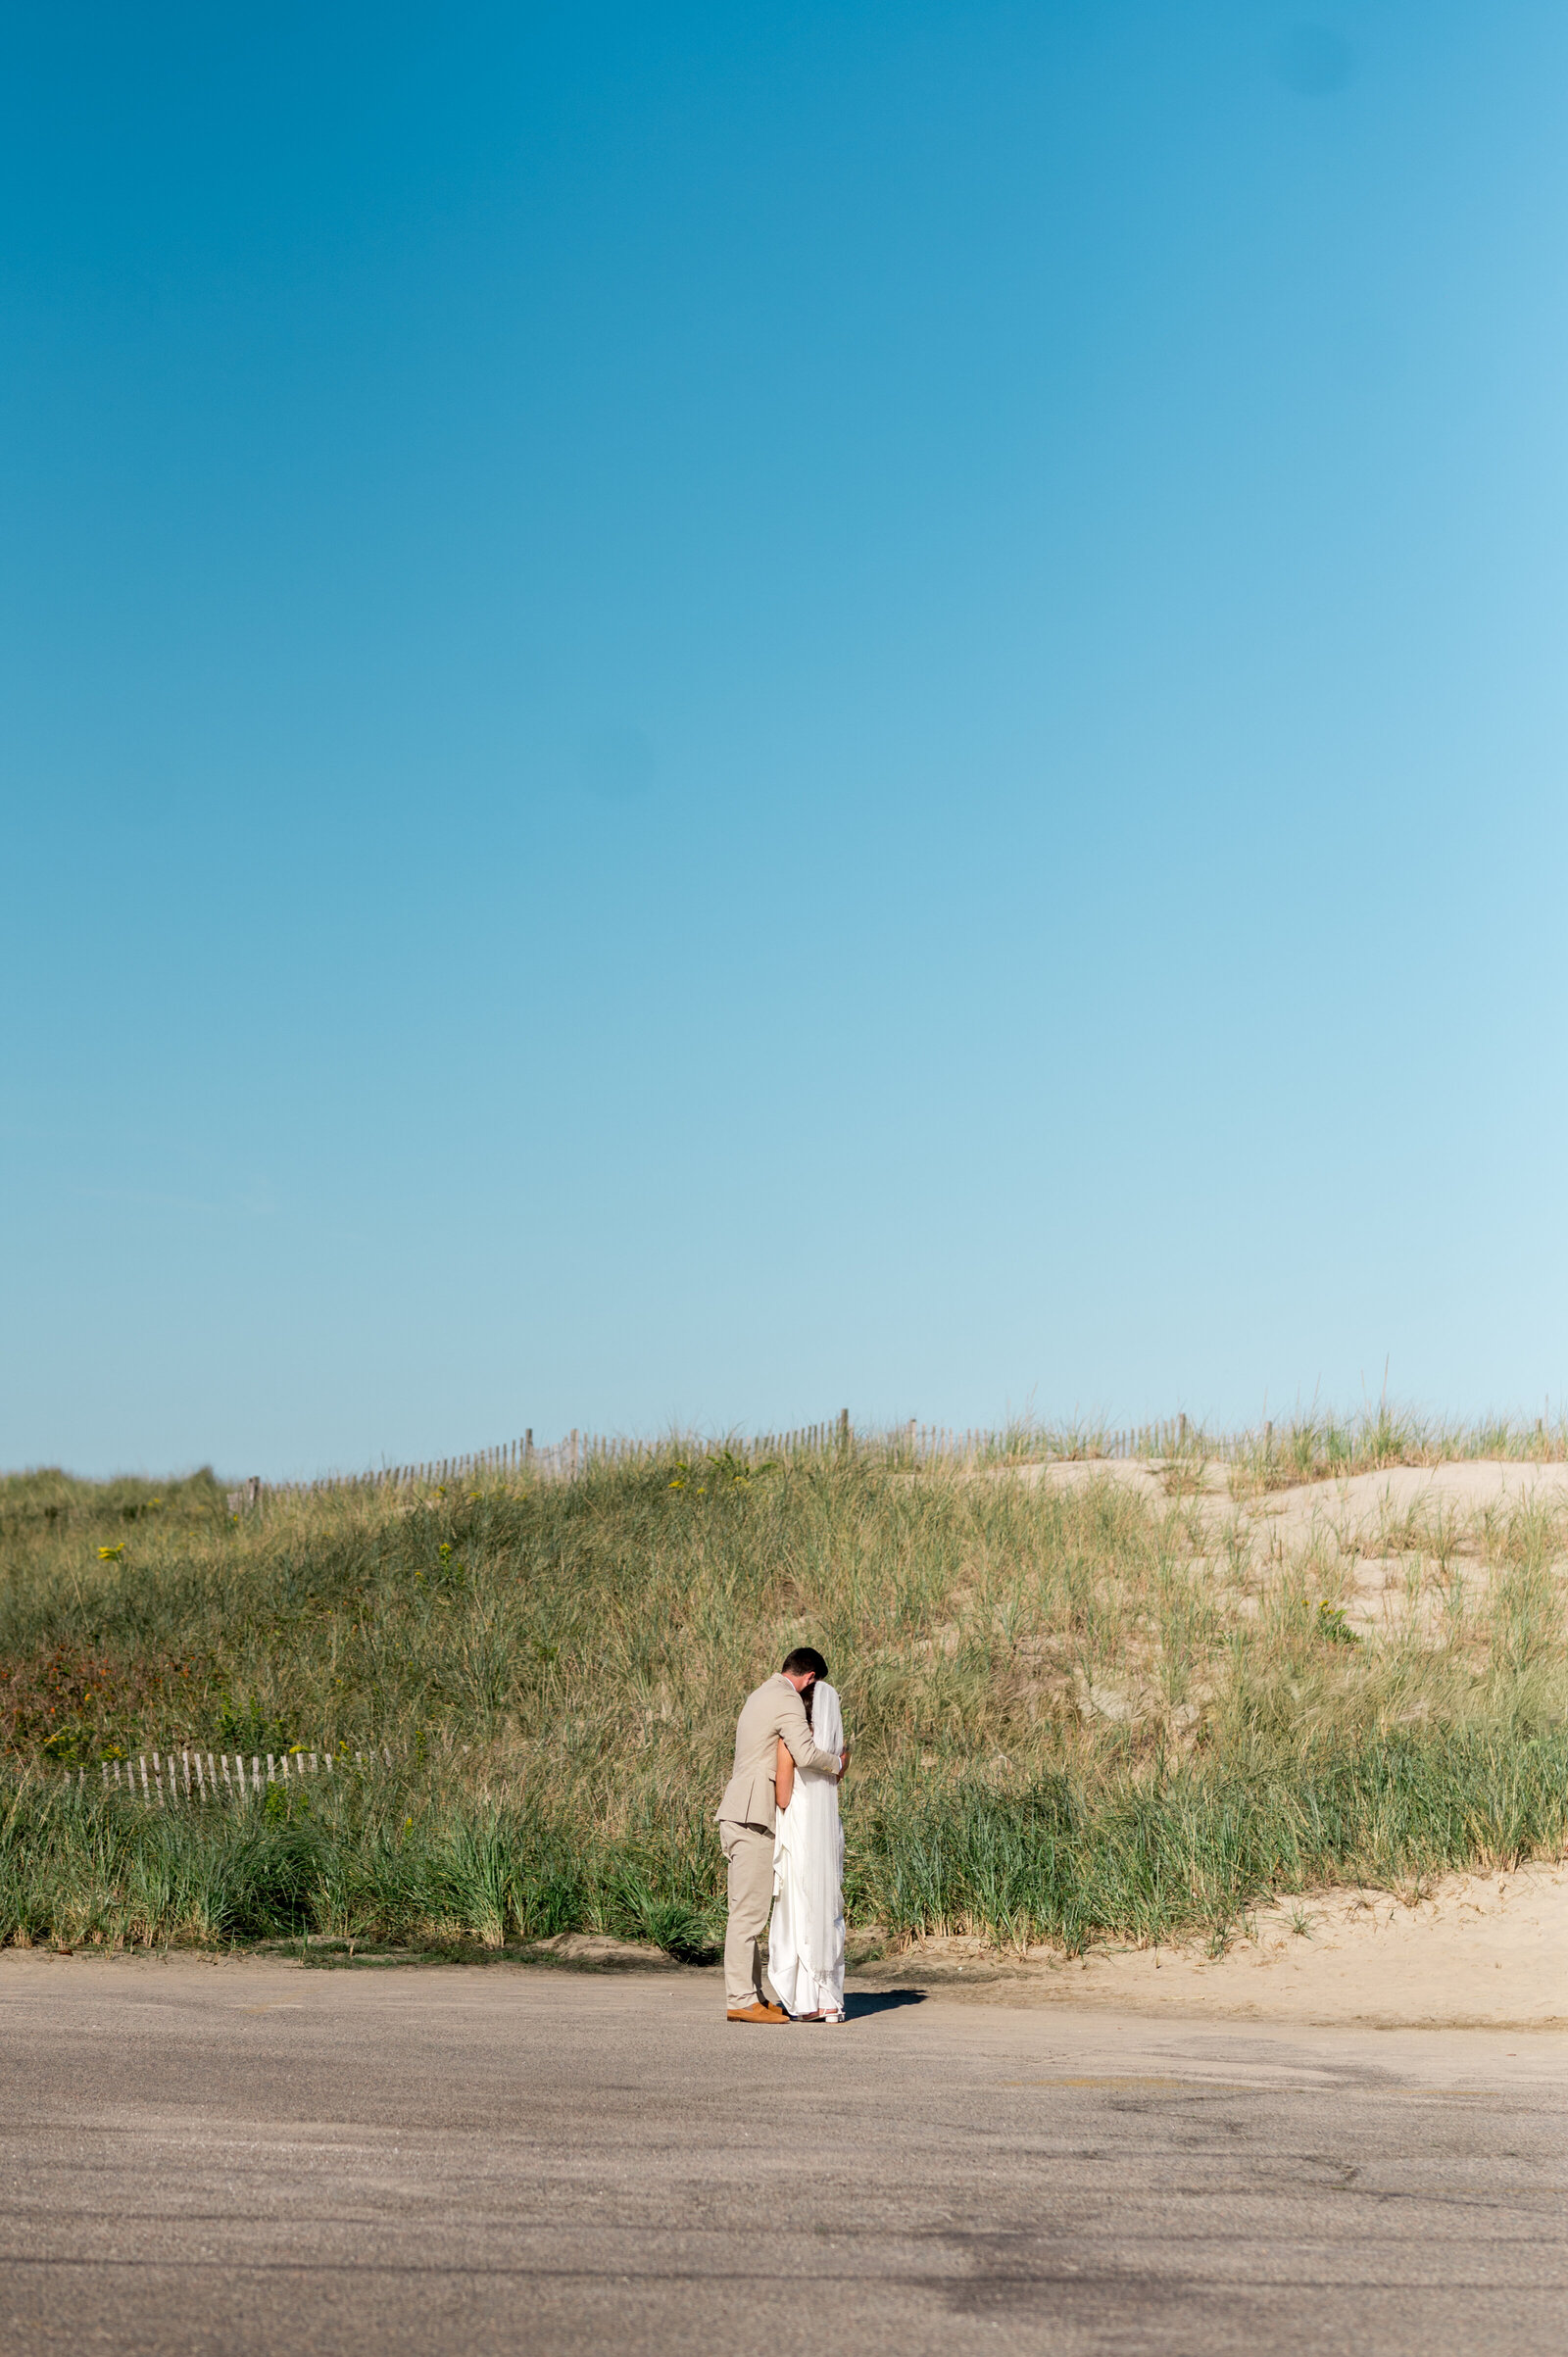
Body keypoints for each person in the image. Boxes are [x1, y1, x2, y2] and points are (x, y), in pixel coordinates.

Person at [715, 1645, 848, 2023]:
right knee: (748, 1915)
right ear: (810, 1679)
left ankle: (753, 1994)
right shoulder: (787, 1700)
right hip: (752, 1816)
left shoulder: (762, 1692)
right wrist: (837, 1763)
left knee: (749, 1910)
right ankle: (741, 1999)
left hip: (742, 1811)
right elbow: (805, 1754)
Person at [769, 1672, 846, 2022]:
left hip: (799, 1829)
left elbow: (782, 1796)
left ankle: (807, 2001)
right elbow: (834, 1780)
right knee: (826, 1908)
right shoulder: (836, 1750)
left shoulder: (789, 1744)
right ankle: (830, 2000)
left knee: (799, 1909)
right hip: (826, 1832)